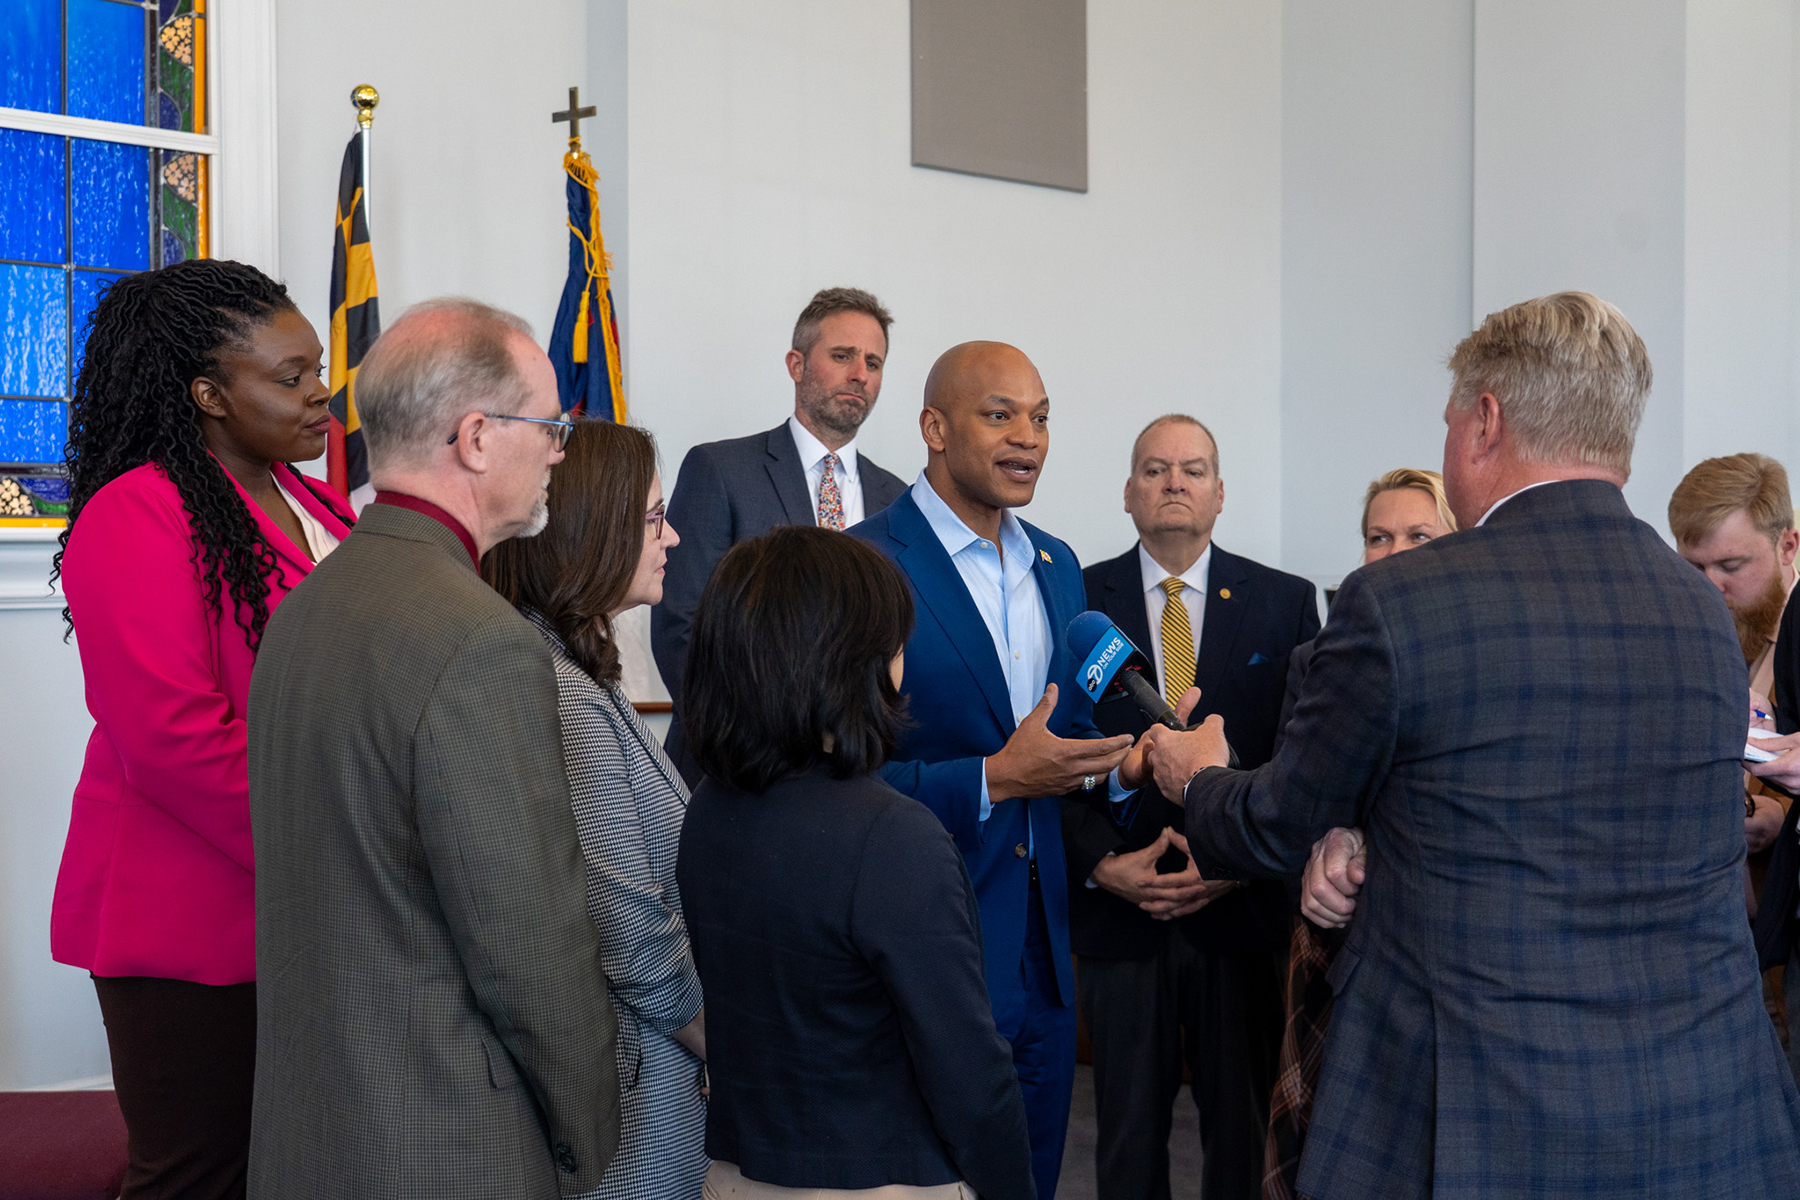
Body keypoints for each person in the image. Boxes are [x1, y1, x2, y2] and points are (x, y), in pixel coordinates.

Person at [1146, 292, 1800, 1198]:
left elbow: (1278, 825)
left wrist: (1198, 775)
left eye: (1451, 420)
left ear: (1485, 421)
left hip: (1479, 1114)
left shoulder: (1402, 602)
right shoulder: (1699, 607)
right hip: (1697, 1107)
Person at [246, 299, 620, 1198]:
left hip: (311, 1131)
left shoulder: (306, 603)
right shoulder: (481, 641)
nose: (560, 452)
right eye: (549, 427)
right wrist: (596, 1134)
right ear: (479, 438)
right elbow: (531, 951)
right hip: (442, 1140)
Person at [48, 258, 353, 1200]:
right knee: (198, 1178)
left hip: (297, 906)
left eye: (318, 369)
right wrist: (336, 850)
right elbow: (174, 737)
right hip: (188, 914)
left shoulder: (312, 500)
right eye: (290, 376)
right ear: (209, 393)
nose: (321, 394)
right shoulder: (134, 511)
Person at [850, 341, 1145, 1200]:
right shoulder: (866, 564)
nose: (1029, 437)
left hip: (1046, 962)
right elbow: (839, 785)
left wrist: (1124, 771)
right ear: (934, 428)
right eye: (1000, 414)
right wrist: (992, 777)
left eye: (1043, 417)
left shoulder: (1057, 565)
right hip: (926, 950)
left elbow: (1066, 741)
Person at [678, 525, 1034, 1200]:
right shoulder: (891, 839)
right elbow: (970, 1076)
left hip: (736, 1173)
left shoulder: (708, 809)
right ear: (853, 659)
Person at [1068, 413, 1319, 1200]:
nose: (1173, 482)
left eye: (1192, 469)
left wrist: (1239, 863)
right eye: (1154, 468)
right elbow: (1045, 749)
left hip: (1239, 920)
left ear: (1219, 494)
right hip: (1120, 916)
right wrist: (1102, 866)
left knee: (1242, 1141)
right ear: (1127, 493)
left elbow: (1300, 759)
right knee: (1125, 1144)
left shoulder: (1284, 603)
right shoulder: (1076, 601)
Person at [483, 419, 707, 1199]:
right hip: (637, 1087)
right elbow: (626, 924)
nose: (671, 536)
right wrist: (720, 1042)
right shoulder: (563, 693)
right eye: (651, 517)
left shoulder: (581, 668)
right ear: (590, 532)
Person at [1262, 467, 1454, 1200]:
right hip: (1333, 935)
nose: (1394, 551)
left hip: (1428, 945)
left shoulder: (1471, 656)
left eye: (1417, 534)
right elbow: (1294, 798)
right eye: (1378, 537)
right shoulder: (1317, 661)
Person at [653, 287, 909, 783]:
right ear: (796, 365)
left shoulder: (898, 498)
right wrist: (745, 745)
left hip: (856, 777)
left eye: (874, 363)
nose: (860, 373)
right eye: (842, 356)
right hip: (732, 770)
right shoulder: (721, 470)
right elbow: (682, 627)